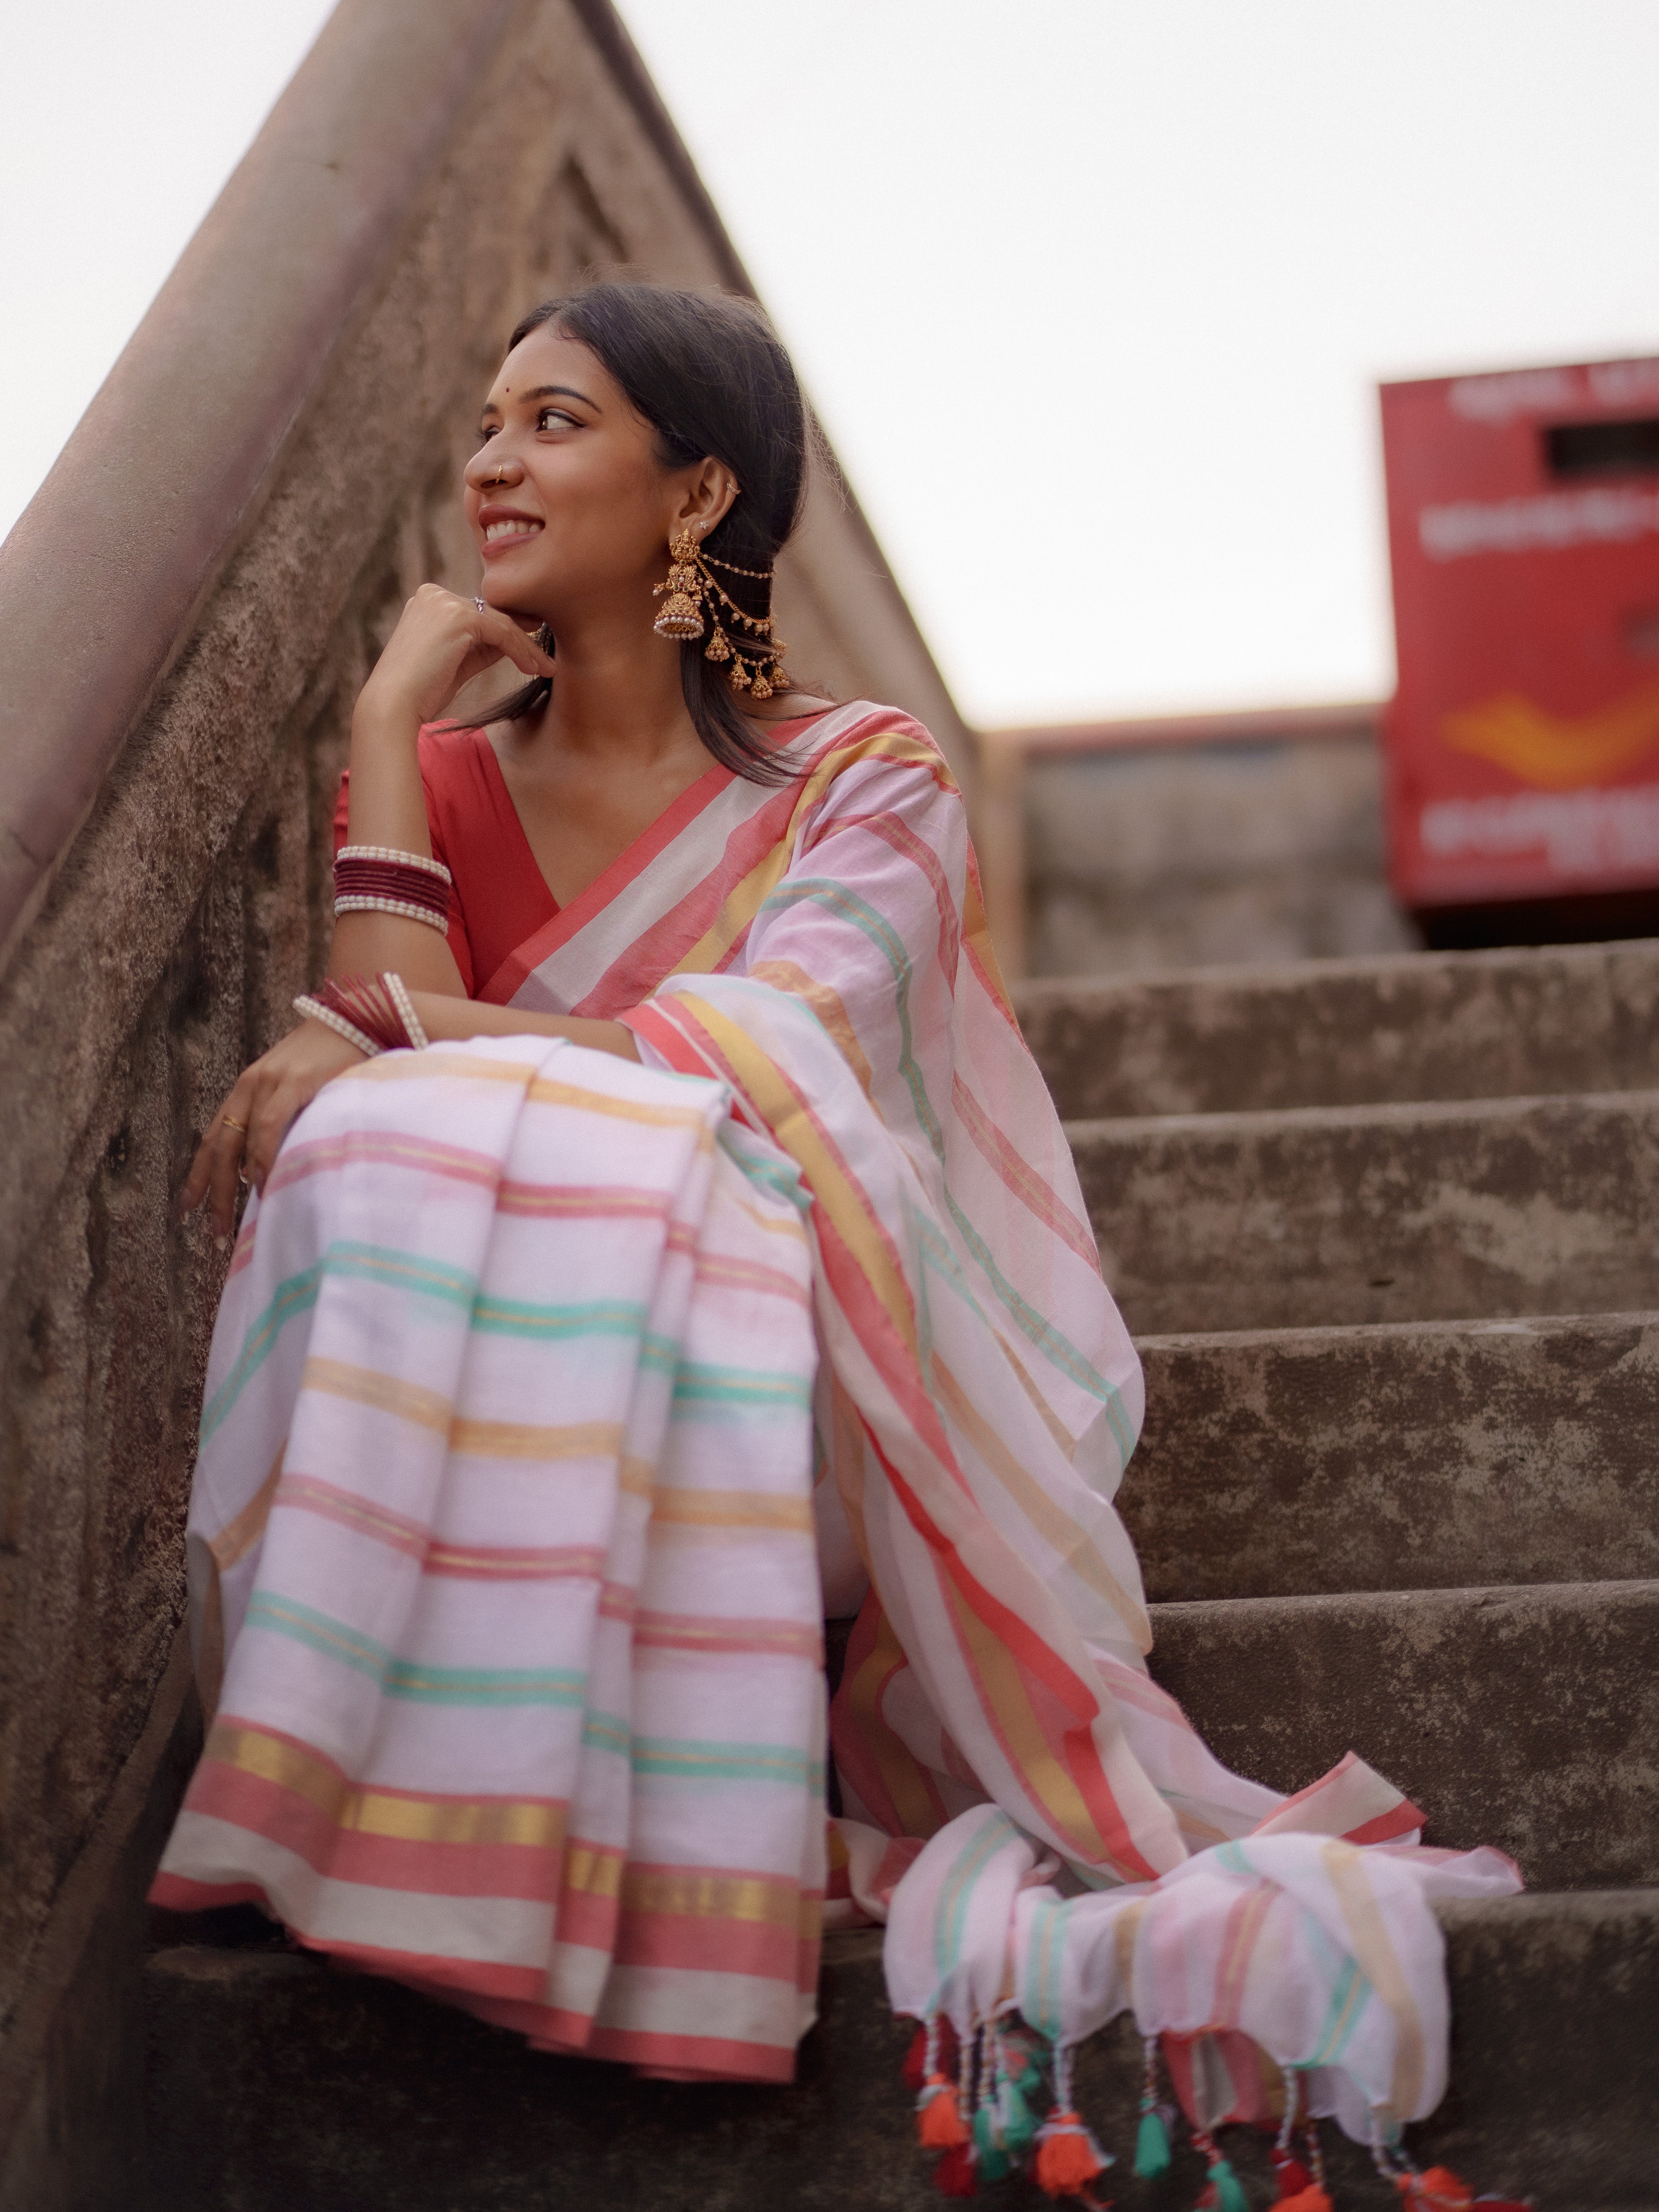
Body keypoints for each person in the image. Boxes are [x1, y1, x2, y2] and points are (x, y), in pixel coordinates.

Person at [154, 284, 1517, 2180]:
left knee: (603, 1139)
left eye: (552, 421)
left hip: (799, 1377)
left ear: (699, 490)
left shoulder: (863, 779)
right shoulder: (444, 779)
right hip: (520, 1380)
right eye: (484, 424)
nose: (489, 465)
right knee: (379, 1141)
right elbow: (382, 1064)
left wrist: (391, 1026)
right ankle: (348, 1787)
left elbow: (777, 1053)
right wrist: (389, 725)